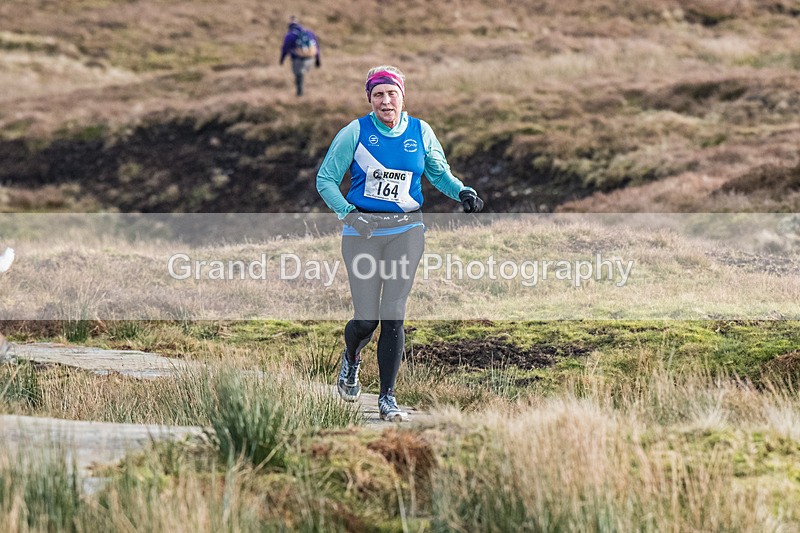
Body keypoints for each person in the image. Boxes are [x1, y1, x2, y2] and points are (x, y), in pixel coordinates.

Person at [316, 65, 484, 421]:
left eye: (392, 93)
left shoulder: (421, 131)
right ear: (370, 100)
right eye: (378, 94)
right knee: (367, 321)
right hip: (362, 232)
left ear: (402, 96)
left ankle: (387, 398)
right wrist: (349, 213)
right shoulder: (355, 133)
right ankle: (351, 358)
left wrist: (463, 192)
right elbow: (326, 179)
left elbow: (439, 173)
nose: (386, 101)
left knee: (393, 314)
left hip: (407, 230)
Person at [279, 16, 321, 97]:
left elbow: (285, 49)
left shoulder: (289, 35)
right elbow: (316, 46)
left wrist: (282, 59)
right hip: (310, 58)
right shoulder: (309, 32)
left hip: (298, 60)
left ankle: (300, 94)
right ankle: (302, 94)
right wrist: (318, 59)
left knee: (299, 76)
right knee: (303, 74)